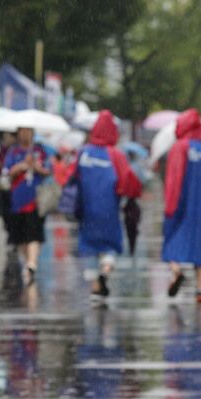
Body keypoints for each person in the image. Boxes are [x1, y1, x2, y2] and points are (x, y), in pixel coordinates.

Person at [73, 110, 142, 299]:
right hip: (109, 209)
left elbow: (73, 179)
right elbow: (128, 181)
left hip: (87, 209)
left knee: (90, 246)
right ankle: (106, 270)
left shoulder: (84, 153)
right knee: (109, 246)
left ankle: (95, 286)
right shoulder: (116, 155)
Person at [162, 109, 201, 303]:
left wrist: (170, 207)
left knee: (172, 241)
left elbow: (174, 179)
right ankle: (200, 289)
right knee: (199, 245)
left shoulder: (180, 147)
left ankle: (176, 271)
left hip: (182, 203)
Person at [2, 125, 51, 285]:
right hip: (17, 200)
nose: (26, 135)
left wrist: (36, 167)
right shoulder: (13, 152)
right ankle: (28, 262)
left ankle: (32, 263)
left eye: (29, 131)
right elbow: (7, 171)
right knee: (21, 237)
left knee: (35, 233)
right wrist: (22, 165)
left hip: (35, 199)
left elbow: (48, 170)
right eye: (23, 131)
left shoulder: (40, 151)